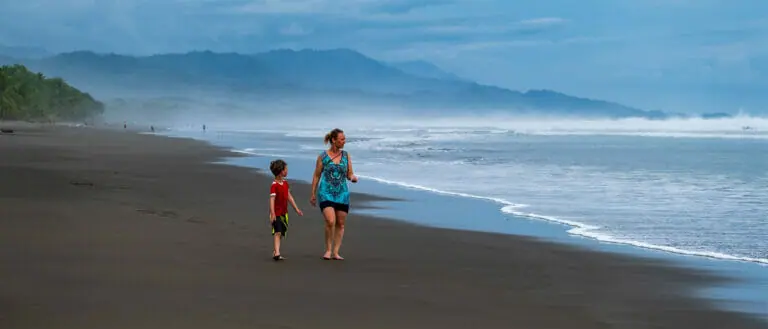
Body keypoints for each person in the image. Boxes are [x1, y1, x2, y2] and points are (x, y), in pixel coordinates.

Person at [310, 128, 358, 260]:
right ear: (333, 140)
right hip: (326, 192)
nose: (344, 141)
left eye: (344, 139)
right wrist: (313, 193)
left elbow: (349, 173)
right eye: (342, 139)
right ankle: (328, 250)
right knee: (331, 221)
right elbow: (316, 175)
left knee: (340, 223)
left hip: (342, 193)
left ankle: (336, 252)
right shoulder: (323, 157)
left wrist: (353, 177)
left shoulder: (346, 155)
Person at [269, 159, 303, 261]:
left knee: (282, 233)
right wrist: (272, 213)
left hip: (284, 213)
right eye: (286, 169)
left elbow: (289, 196)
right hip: (276, 213)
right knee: (277, 232)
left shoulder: (285, 183)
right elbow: (271, 200)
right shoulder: (274, 185)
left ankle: (276, 251)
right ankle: (277, 253)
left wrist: (296, 209)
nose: (287, 171)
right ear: (281, 171)